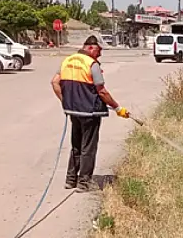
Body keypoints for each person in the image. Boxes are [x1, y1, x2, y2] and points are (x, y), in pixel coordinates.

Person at [51, 35, 130, 192]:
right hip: (90, 113)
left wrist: (65, 101)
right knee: (88, 147)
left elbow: (54, 82)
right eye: (99, 50)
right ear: (91, 48)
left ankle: (70, 180)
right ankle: (84, 183)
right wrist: (117, 108)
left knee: (76, 146)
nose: (100, 54)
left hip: (73, 111)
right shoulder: (92, 64)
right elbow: (102, 91)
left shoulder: (68, 61)